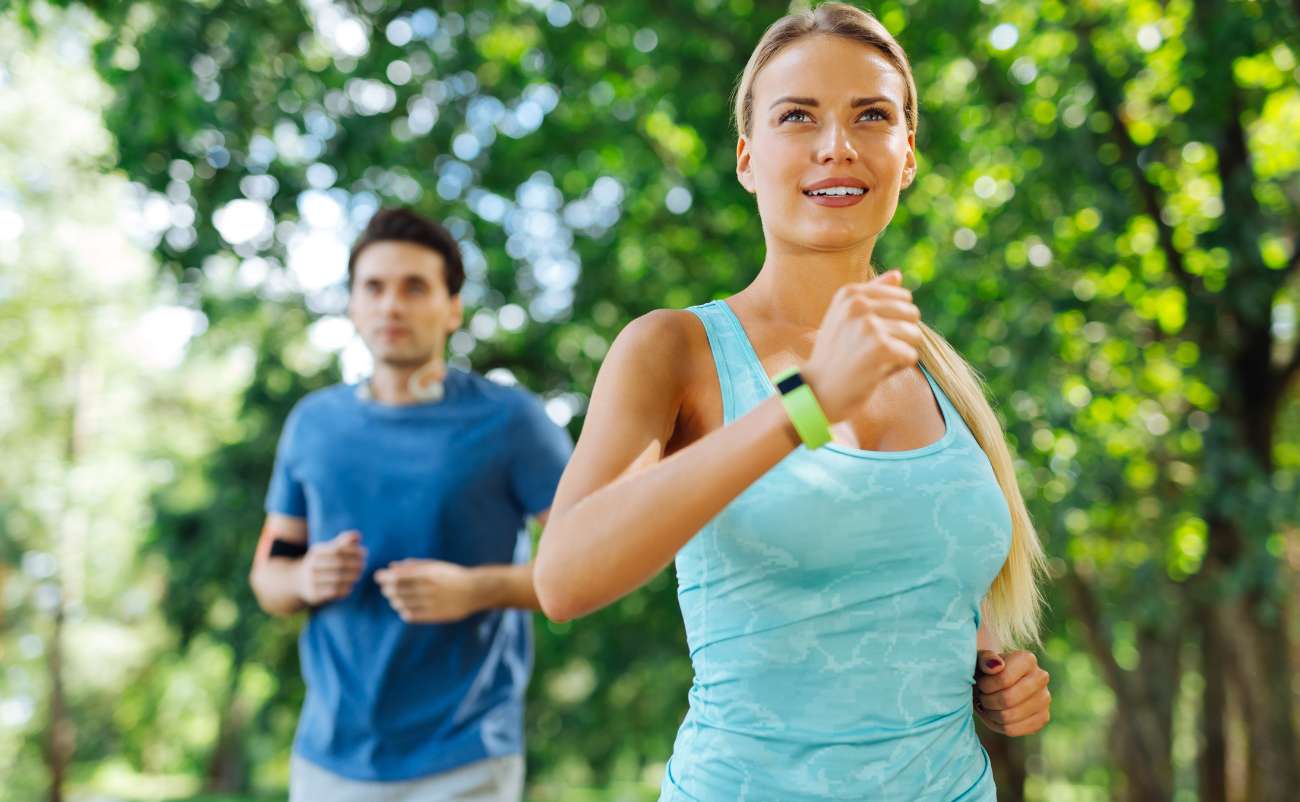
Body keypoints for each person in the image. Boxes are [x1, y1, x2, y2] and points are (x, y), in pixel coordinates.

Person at [534, 5, 1051, 800]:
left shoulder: (935, 368)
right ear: (747, 158)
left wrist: (993, 672)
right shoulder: (672, 349)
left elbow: (916, 586)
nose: (836, 144)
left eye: (871, 115)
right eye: (797, 116)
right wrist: (806, 406)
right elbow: (563, 580)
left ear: (907, 155)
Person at [249, 208, 572, 802]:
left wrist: (476, 590)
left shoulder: (511, 421)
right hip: (328, 759)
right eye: (373, 287)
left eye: (414, 287)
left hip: (467, 755)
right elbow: (268, 578)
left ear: (453, 308)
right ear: (351, 304)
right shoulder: (313, 425)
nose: (390, 305)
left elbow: (592, 567)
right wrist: (305, 575)